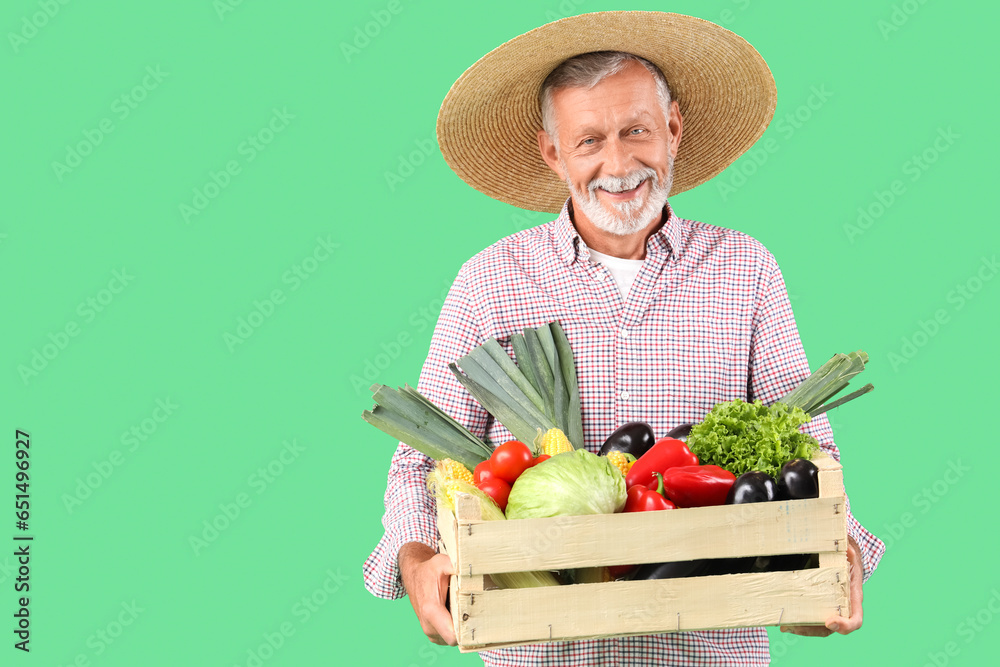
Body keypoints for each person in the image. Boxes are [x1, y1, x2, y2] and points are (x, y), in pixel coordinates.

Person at [363, 11, 885, 666]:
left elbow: (811, 447)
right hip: (541, 654)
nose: (619, 163)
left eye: (637, 130)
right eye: (589, 141)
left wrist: (837, 556)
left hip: (710, 653)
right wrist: (417, 562)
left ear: (673, 130)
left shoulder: (747, 270)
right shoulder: (490, 281)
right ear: (553, 153)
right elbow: (419, 459)